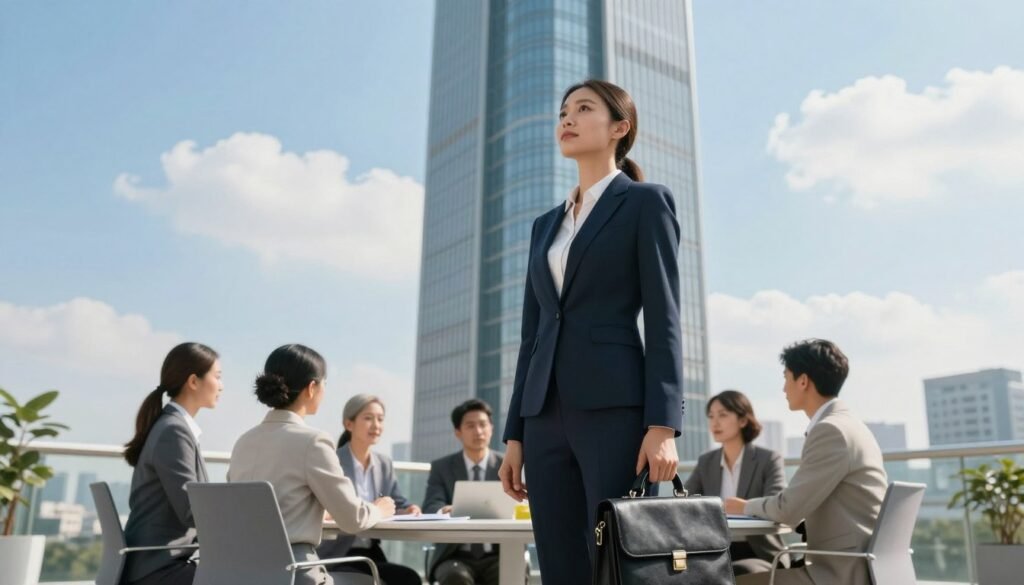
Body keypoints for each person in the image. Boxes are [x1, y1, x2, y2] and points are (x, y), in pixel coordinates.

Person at [499, 78, 684, 585]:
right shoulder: (545, 225)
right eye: (563, 111)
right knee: (560, 564)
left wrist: (663, 425)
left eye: (583, 109)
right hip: (543, 417)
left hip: (613, 410)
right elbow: (532, 335)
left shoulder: (645, 203)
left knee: (619, 563)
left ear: (619, 128)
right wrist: (514, 433)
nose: (567, 119)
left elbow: (665, 319)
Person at [725, 339, 888, 585]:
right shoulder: (850, 425)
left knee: (722, 580)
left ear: (803, 381)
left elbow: (788, 509)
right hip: (858, 564)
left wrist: (742, 507)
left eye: (786, 377)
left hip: (837, 574)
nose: (783, 388)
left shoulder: (831, 430)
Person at [228, 344, 394, 585]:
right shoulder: (313, 442)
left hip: (241, 572)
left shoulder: (243, 441)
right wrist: (380, 509)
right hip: (296, 572)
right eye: (324, 383)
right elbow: (352, 519)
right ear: (312, 387)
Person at [122, 342, 222, 585]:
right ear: (193, 381)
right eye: (217, 377)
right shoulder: (174, 430)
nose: (221, 386)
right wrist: (246, 513)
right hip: (158, 568)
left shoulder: (172, 426)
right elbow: (191, 509)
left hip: (155, 564)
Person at [316, 394, 422, 585]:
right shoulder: (332, 461)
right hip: (339, 553)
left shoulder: (384, 464)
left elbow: (396, 502)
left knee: (408, 578)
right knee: (406, 579)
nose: (376, 425)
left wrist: (409, 509)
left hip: (371, 552)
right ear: (349, 424)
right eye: (368, 418)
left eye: (380, 419)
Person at [684, 390, 787, 576]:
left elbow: (776, 503)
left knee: (735, 571)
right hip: (716, 547)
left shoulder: (768, 459)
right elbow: (684, 501)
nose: (715, 422)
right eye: (711, 416)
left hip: (758, 550)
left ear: (743, 420)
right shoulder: (706, 462)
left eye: (723, 415)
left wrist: (744, 507)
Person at [423, 399, 504, 585]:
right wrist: (444, 511)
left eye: (483, 425)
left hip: (500, 553)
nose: (478, 431)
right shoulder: (441, 468)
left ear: (491, 428)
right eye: (470, 426)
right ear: (458, 432)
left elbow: (520, 505)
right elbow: (431, 505)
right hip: (454, 555)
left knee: (507, 574)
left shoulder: (507, 466)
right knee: (456, 577)